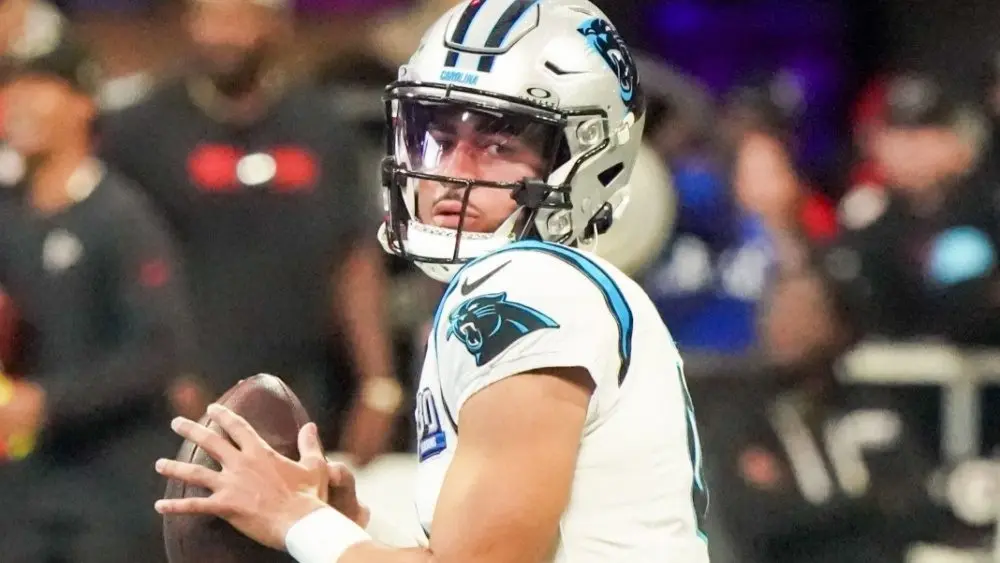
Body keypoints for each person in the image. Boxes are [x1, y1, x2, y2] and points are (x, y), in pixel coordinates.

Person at [153, 1, 710, 562]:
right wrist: (353, 525)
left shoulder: (526, 287)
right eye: (438, 137)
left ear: (585, 156)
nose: (450, 171)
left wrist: (295, 520)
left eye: (497, 145)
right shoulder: (565, 288)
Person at [100, 0, 401, 463]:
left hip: (300, 392)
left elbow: (354, 258)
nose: (223, 35)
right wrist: (162, 371)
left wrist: (377, 382)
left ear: (276, 25)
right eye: (210, 18)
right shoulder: (140, 131)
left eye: (239, 18)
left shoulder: (321, 128)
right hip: (172, 399)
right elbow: (113, 261)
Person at [0, 35, 190, 562]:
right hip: (20, 497)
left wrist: (46, 402)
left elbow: (158, 351)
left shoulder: (122, 219)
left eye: (38, 89)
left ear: (83, 104)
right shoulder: (7, 218)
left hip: (108, 496)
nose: (17, 105)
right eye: (11, 91)